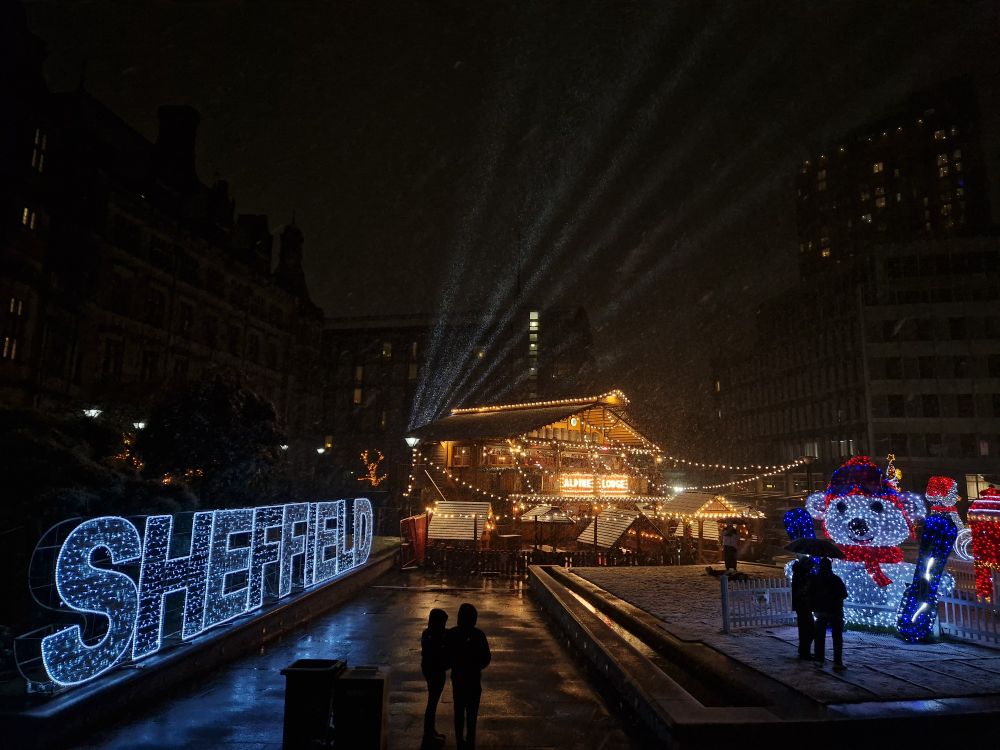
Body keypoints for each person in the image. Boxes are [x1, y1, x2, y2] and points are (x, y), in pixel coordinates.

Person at [446, 602, 491, 750]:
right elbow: (486, 658)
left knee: (458, 712)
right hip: (473, 680)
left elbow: (446, 656)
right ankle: (470, 741)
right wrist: (476, 665)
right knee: (472, 714)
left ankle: (459, 741)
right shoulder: (478, 635)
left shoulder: (452, 633)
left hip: (458, 679)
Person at [810, 557, 848, 671]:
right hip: (835, 612)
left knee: (819, 637)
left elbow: (811, 594)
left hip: (821, 612)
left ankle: (819, 660)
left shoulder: (815, 580)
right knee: (837, 637)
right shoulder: (836, 579)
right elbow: (844, 594)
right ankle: (837, 662)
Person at [421, 608, 450, 747]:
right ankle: (428, 735)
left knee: (432, 702)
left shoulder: (428, 633)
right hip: (435, 672)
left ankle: (431, 731)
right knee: (432, 703)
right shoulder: (435, 637)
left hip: (430, 670)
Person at [790, 557, 814, 660]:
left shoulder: (799, 574)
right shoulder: (801, 576)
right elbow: (803, 590)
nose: (811, 568)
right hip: (804, 605)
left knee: (805, 629)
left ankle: (804, 650)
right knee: (808, 629)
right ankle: (805, 651)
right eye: (810, 566)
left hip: (802, 605)